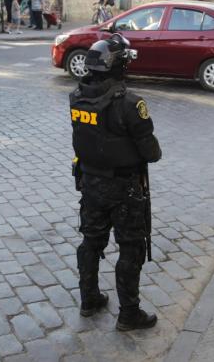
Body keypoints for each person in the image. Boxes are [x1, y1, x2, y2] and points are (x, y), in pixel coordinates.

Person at [70, 33, 162, 331]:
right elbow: (152, 152)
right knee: (131, 247)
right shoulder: (131, 104)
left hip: (90, 183)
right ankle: (129, 314)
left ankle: (89, 299)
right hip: (125, 188)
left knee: (91, 241)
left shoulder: (77, 96)